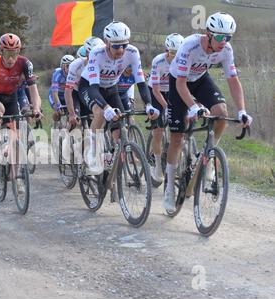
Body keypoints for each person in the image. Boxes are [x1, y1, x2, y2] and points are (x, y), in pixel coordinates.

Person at [163, 12, 253, 211]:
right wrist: (194, 106)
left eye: (228, 37)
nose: (224, 41)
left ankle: (209, 156)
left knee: (221, 113)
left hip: (201, 79)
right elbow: (180, 83)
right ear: (208, 34)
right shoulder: (189, 45)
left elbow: (233, 80)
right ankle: (169, 187)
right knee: (177, 137)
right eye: (220, 37)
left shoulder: (226, 49)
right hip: (179, 83)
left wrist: (242, 111)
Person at [78, 21, 158, 173]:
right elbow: (94, 89)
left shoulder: (133, 53)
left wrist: (148, 104)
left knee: (121, 126)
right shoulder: (97, 53)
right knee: (101, 113)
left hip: (111, 87)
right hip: (90, 86)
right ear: (107, 42)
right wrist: (106, 107)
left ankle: (114, 161)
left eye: (124, 45)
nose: (121, 50)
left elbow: (141, 82)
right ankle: (92, 152)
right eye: (116, 46)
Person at [0, 33, 43, 164]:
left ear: (19, 52)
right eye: (7, 54)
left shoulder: (25, 63)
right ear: (0, 51)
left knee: (14, 130)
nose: (11, 59)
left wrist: (37, 109)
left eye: (14, 53)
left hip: (11, 95)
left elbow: (33, 90)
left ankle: (14, 175)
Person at [148, 33, 184, 184]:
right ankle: (156, 165)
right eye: (172, 53)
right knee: (159, 130)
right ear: (167, 50)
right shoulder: (158, 61)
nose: (175, 57)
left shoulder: (184, 60)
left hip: (173, 90)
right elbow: (155, 90)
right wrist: (166, 107)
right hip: (156, 91)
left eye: (178, 53)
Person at [49, 54, 75, 125]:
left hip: (67, 96)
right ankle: (55, 127)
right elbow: (54, 93)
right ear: (63, 66)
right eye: (68, 66)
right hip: (55, 95)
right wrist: (58, 106)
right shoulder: (57, 74)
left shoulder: (74, 73)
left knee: (72, 113)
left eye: (72, 66)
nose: (70, 68)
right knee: (58, 113)